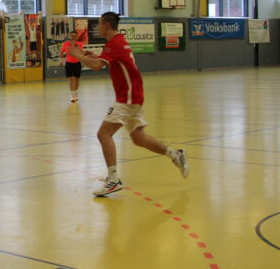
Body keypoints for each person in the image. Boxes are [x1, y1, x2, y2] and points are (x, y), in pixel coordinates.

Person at [67, 11, 189, 196]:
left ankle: (113, 179)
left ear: (106, 25)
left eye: (99, 24)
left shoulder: (114, 44)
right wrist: (96, 55)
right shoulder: (117, 42)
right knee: (139, 138)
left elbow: (97, 66)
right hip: (134, 95)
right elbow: (108, 61)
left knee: (103, 134)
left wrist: (77, 55)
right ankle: (175, 154)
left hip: (128, 98)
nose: (98, 27)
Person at [61, 29, 85, 103]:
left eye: (74, 36)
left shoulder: (80, 44)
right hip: (69, 63)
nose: (73, 37)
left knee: (77, 79)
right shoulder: (65, 44)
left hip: (77, 63)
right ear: (70, 36)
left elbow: (81, 52)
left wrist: (74, 45)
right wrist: (61, 61)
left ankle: (75, 93)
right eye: (72, 36)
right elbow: (61, 53)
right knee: (71, 80)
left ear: (77, 36)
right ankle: (73, 95)